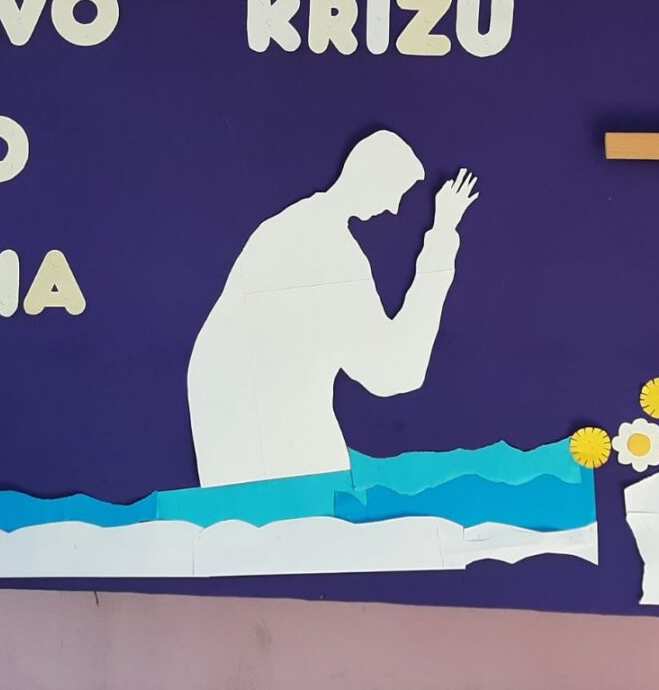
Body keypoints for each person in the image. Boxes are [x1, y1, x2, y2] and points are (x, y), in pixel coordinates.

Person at [187, 131, 478, 488]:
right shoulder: (332, 250)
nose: (394, 209)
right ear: (370, 177)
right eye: (395, 193)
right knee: (320, 504)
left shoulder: (285, 226)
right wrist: (442, 236)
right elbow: (393, 371)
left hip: (224, 407)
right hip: (264, 418)